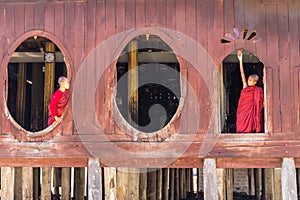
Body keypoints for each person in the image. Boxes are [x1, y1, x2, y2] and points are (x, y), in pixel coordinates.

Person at [236, 49, 264, 133]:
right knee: (241, 124)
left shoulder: (258, 91)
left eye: (251, 80)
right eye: (248, 79)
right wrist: (240, 60)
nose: (248, 81)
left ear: (255, 82)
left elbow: (262, 102)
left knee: (251, 126)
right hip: (243, 111)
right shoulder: (245, 88)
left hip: (251, 113)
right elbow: (242, 73)